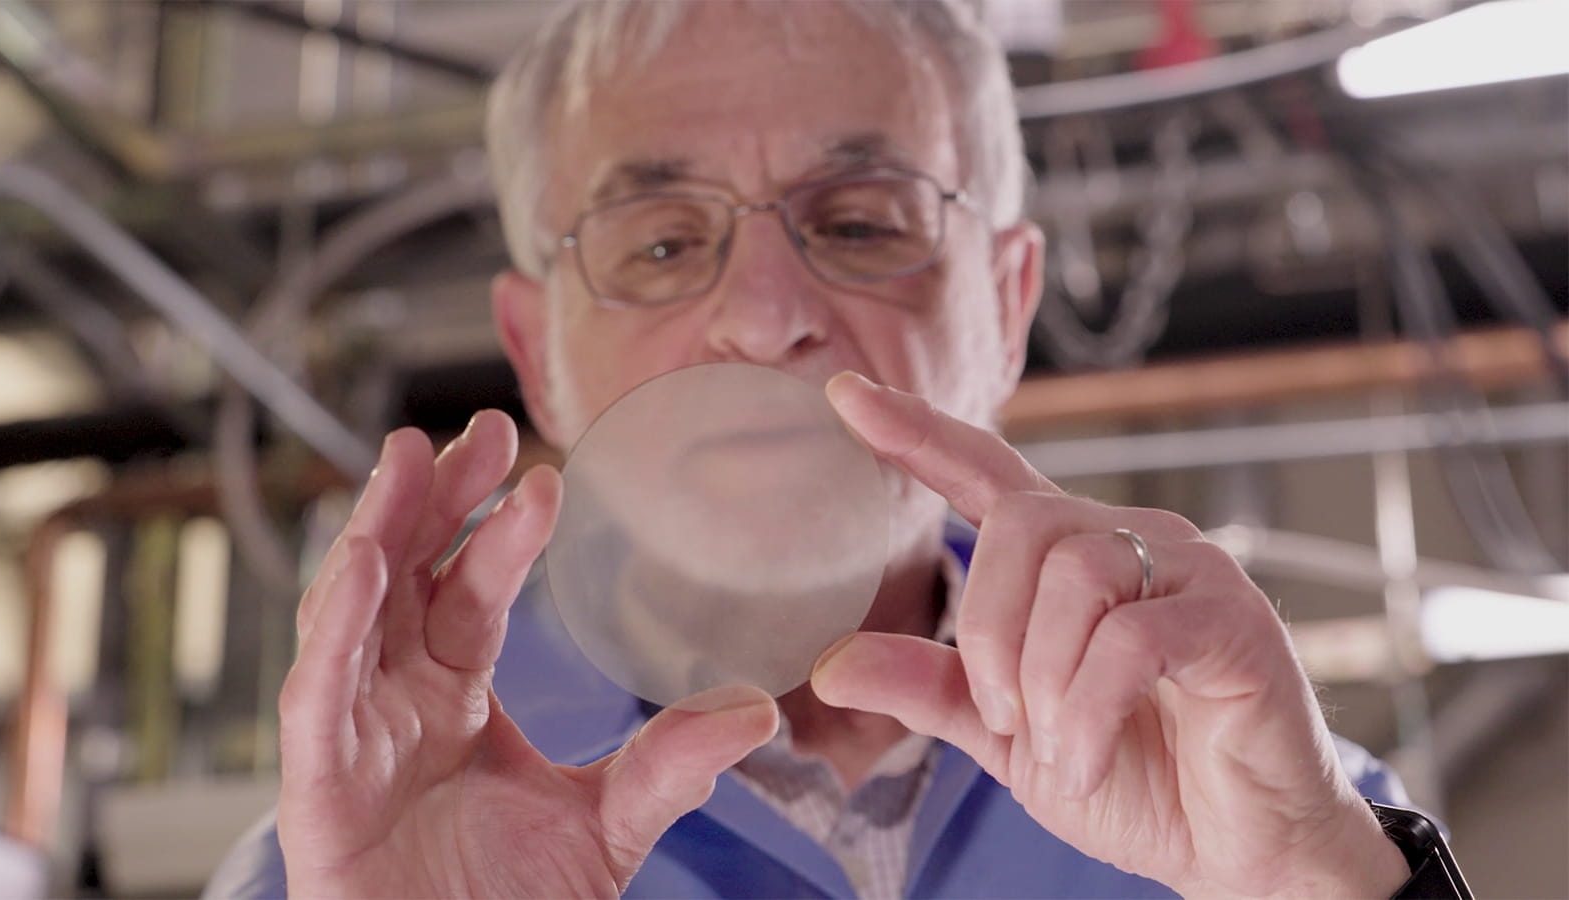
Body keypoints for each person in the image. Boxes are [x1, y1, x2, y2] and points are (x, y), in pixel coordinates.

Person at [207, 2, 1430, 897]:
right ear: (536, 353)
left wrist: (1313, 885)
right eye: (662, 244)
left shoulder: (1279, 796)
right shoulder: (355, 850)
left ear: (1006, 307)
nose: (762, 314)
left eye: (858, 221)